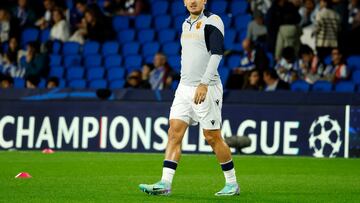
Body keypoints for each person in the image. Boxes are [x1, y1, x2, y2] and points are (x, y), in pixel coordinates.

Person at [139, 0, 240, 196]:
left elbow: (216, 54)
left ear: (204, 1)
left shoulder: (213, 20)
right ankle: (165, 183)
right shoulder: (186, 23)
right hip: (184, 88)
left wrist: (203, 83)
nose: (193, 1)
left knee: (212, 137)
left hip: (207, 87)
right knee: (174, 133)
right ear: (184, 2)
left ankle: (232, 183)